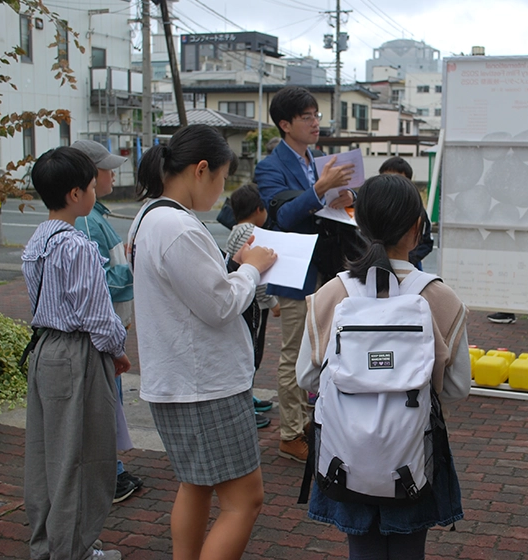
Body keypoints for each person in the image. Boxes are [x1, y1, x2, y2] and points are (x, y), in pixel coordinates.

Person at [296, 173, 471, 559]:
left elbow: (306, 377)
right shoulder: (440, 297)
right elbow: (459, 387)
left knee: (362, 549)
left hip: (346, 453)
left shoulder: (332, 293)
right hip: (413, 454)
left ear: (359, 223)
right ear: (416, 228)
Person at [129, 124, 277, 559]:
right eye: (221, 179)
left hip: (177, 380)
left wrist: (232, 268)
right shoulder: (178, 226)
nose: (221, 192)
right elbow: (219, 304)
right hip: (204, 386)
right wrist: (250, 268)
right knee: (244, 500)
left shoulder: (149, 217)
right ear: (200, 170)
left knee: (195, 484)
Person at [22, 146, 131, 560]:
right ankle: (75, 551)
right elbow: (97, 315)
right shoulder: (79, 246)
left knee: (47, 456)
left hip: (44, 348)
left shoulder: (37, 241)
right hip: (78, 353)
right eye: (90, 185)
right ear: (74, 194)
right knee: (82, 458)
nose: (93, 192)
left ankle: (49, 546)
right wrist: (117, 350)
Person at [254, 85, 355, 463]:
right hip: (296, 270)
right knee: (294, 352)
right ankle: (290, 432)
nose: (316, 123)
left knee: (327, 347)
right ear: (285, 124)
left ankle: (319, 422)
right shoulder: (270, 167)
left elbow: (331, 206)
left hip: (329, 266)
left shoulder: (319, 160)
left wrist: (346, 199)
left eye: (317, 115)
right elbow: (281, 217)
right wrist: (319, 190)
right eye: (307, 117)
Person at [70, 139, 143, 505]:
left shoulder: (95, 215)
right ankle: (108, 475)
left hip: (111, 329)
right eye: (105, 168)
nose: (112, 173)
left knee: (107, 403)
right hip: (103, 332)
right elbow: (94, 282)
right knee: (100, 405)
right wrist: (131, 269)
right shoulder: (84, 220)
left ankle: (111, 470)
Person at [225, 183, 281, 429]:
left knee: (248, 350)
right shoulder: (253, 233)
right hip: (253, 303)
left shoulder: (235, 231)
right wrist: (271, 301)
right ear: (259, 209)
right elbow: (257, 273)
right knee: (253, 352)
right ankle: (246, 404)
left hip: (242, 300)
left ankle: (248, 397)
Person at [378, 156, 434, 270]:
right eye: (386, 178)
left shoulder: (417, 211)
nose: (391, 185)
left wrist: (408, 259)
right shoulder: (373, 207)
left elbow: (427, 242)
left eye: (398, 179)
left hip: (410, 267)